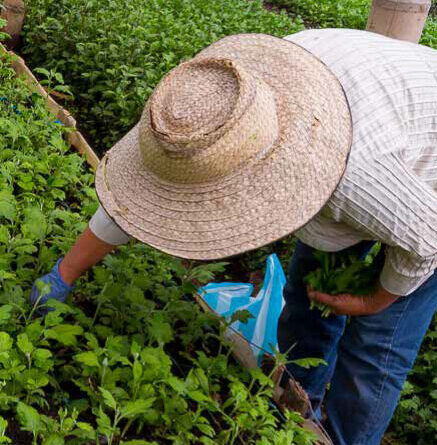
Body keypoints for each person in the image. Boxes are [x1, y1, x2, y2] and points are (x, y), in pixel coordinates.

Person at [31, 29, 437, 445]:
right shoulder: (213, 105)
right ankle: (295, 408)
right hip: (374, 128)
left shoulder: (351, 176)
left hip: (425, 192)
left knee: (374, 349)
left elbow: (429, 238)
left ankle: (340, 438)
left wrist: (372, 300)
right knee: (308, 298)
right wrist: (64, 273)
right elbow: (130, 204)